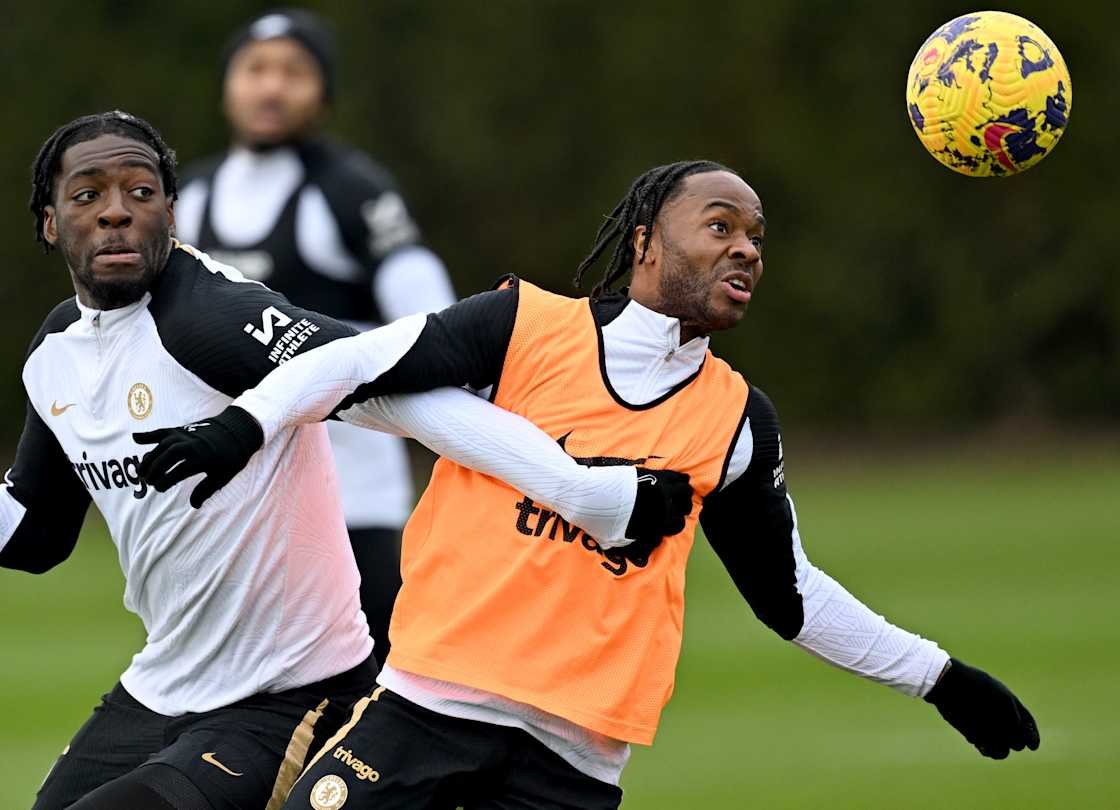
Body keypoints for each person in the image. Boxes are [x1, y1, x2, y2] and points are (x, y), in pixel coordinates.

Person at [0, 111, 671, 810]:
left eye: (141, 190)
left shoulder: (209, 317)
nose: (116, 209)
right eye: (87, 195)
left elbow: (397, 390)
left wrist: (581, 490)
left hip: (295, 693)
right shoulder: (57, 354)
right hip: (161, 688)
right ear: (48, 223)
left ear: (171, 208)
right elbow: (30, 533)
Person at [152, 161, 1041, 809]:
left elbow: (791, 598)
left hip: (572, 765)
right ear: (648, 239)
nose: (745, 249)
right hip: (423, 715)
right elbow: (359, 361)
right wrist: (244, 425)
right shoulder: (524, 327)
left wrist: (941, 679)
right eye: (721, 225)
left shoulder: (736, 419)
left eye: (757, 237)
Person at [174, 8, 456, 665]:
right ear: (228, 86)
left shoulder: (352, 192)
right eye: (256, 69)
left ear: (323, 92)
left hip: (352, 509)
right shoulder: (189, 198)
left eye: (294, 72)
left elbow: (433, 318)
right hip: (231, 511)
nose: (272, 88)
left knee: (379, 704)